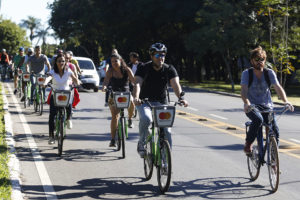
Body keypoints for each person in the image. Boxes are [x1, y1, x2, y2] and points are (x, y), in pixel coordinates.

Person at [133, 42, 188, 158]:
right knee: (147, 118)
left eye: (163, 55)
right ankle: (141, 143)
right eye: (157, 55)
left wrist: (181, 98)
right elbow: (137, 84)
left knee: (167, 131)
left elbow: (176, 85)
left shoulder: (169, 69)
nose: (161, 58)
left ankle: (165, 162)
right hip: (144, 102)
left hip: (162, 102)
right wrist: (136, 97)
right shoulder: (143, 68)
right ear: (152, 56)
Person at [240, 46, 294, 154]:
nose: (260, 62)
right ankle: (248, 143)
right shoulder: (247, 74)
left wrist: (286, 101)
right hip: (252, 106)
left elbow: (278, 87)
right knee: (258, 120)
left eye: (262, 60)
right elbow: (243, 91)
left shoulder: (269, 73)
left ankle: (274, 160)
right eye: (257, 60)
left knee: (275, 131)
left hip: (267, 106)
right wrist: (247, 103)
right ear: (252, 61)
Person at [44, 54, 81, 144]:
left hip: (65, 94)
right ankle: (51, 136)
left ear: (65, 62)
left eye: (63, 61)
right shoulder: (53, 71)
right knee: (52, 116)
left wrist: (78, 82)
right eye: (59, 61)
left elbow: (74, 78)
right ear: (56, 62)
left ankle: (68, 118)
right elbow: (48, 77)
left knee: (69, 107)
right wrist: (45, 83)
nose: (61, 63)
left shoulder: (68, 71)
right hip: (55, 94)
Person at [102, 53, 135, 147]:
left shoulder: (127, 70)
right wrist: (104, 87)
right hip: (114, 95)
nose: (114, 63)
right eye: (112, 61)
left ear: (120, 60)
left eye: (116, 61)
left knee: (132, 102)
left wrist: (136, 86)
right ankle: (113, 139)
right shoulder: (110, 71)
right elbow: (106, 81)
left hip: (126, 94)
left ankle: (129, 119)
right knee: (114, 117)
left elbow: (134, 81)